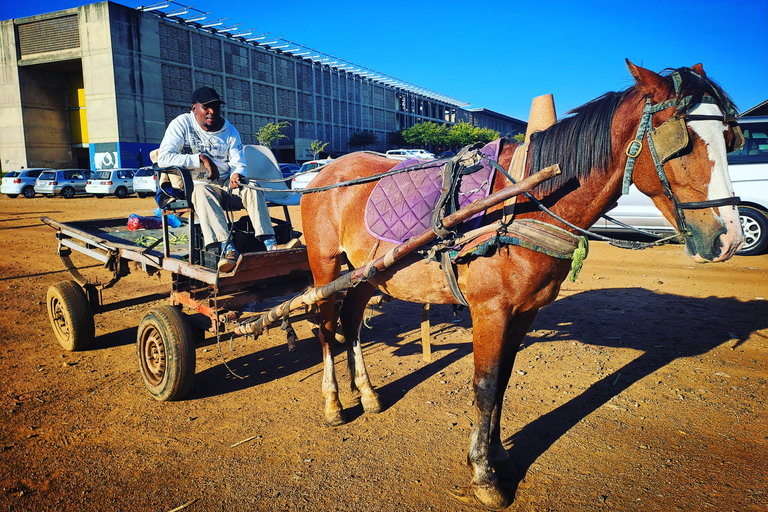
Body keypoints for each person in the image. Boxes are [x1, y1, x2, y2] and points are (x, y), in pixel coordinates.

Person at [157, 86, 276, 272]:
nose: (212, 112)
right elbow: (164, 158)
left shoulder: (230, 130)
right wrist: (201, 159)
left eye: (216, 107)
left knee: (252, 186)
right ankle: (227, 249)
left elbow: (239, 160)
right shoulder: (182, 124)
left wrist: (238, 172)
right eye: (206, 107)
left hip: (227, 186)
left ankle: (271, 244)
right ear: (194, 108)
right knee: (202, 190)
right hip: (199, 186)